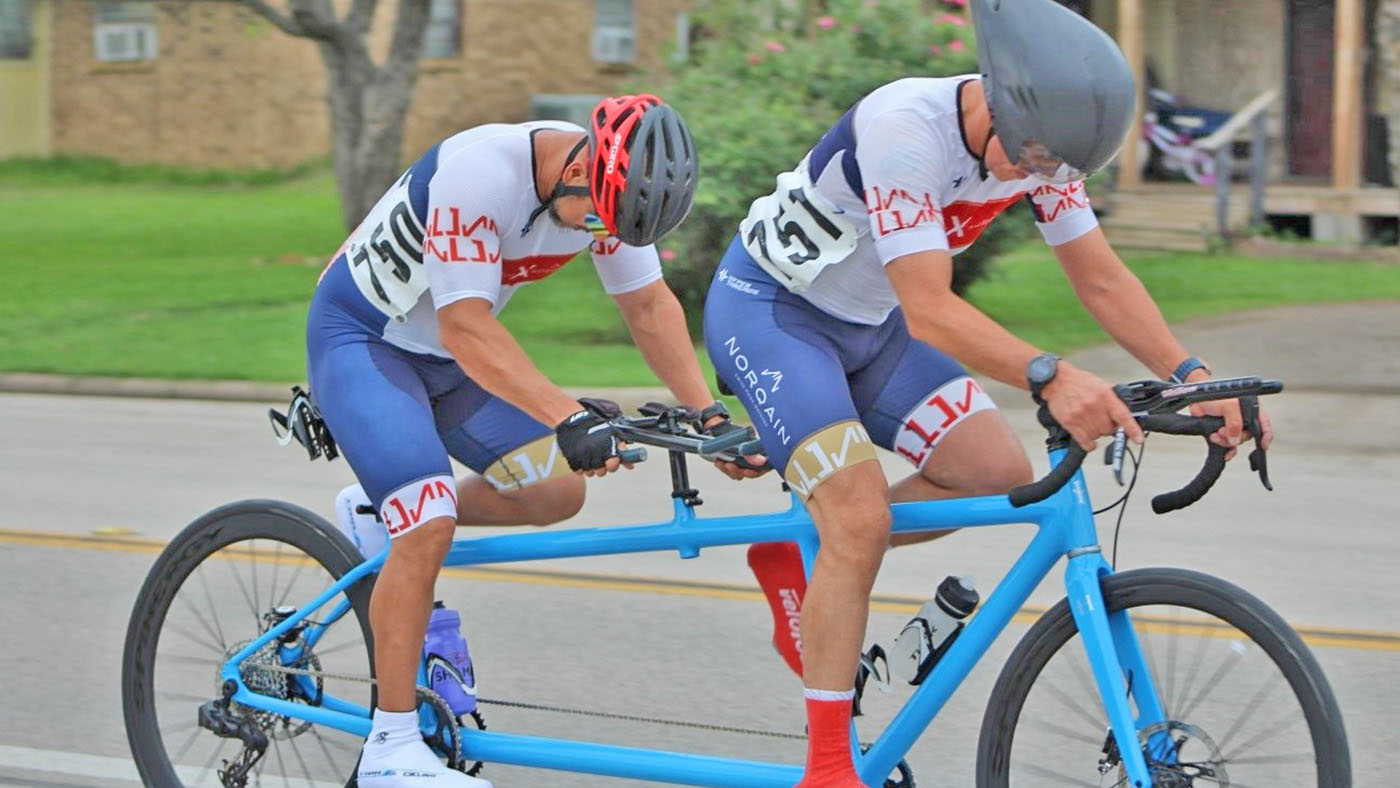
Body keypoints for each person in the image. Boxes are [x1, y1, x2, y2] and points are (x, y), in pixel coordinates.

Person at [703, 2, 1272, 786]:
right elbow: (932, 306)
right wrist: (1050, 374)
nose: (1036, 177)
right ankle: (829, 767)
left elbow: (1100, 278)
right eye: (1030, 157)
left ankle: (807, 552)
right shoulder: (908, 128)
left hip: (874, 327)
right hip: (774, 315)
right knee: (859, 514)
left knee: (994, 473)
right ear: (997, 100)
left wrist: (1194, 375)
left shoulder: (1048, 147)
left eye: (1053, 167)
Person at [306, 94, 760, 788]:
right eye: (601, 217)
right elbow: (464, 325)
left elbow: (645, 304)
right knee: (427, 522)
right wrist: (566, 415)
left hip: (450, 360)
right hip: (367, 342)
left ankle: (380, 514)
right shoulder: (480, 172)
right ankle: (390, 751)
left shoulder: (612, 192)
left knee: (554, 490)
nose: (604, 233)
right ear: (578, 167)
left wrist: (707, 416)